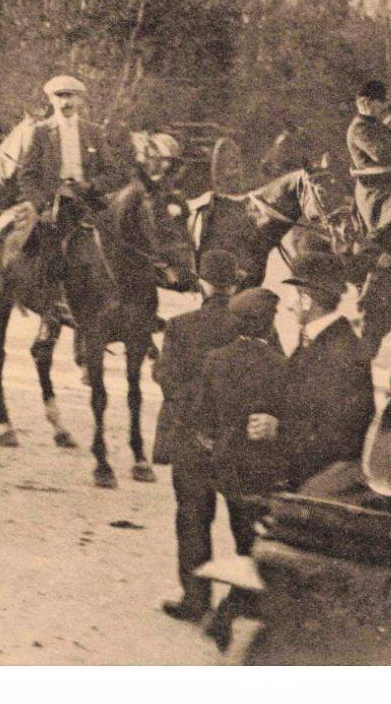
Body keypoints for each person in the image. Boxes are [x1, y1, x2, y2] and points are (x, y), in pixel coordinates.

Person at [191, 287, 286, 647]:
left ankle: (229, 611)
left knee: (242, 535)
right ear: (269, 323)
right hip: (263, 465)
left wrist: (217, 445)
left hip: (227, 466)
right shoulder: (279, 364)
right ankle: (230, 611)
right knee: (253, 543)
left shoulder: (216, 359)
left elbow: (203, 416)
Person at [155, 249, 242, 622]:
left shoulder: (179, 326)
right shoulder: (251, 325)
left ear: (203, 284)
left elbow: (167, 380)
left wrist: (199, 426)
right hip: (237, 441)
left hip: (191, 438)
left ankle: (195, 599)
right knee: (243, 521)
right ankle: (244, 599)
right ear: (235, 284)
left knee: (192, 519)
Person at [0, 74, 117, 323]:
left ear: (79, 100)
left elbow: (112, 172)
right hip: (54, 204)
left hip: (88, 201)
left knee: (121, 239)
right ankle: (53, 305)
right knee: (48, 246)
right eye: (60, 96)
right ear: (51, 100)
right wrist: (41, 204)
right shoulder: (41, 133)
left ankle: (124, 304)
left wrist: (90, 185)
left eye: (70, 96)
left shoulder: (93, 132)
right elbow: (27, 174)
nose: (65, 102)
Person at [279, 253, 375, 489]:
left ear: (307, 300)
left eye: (292, 294)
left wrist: (278, 430)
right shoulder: (322, 339)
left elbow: (338, 435)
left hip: (321, 479)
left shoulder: (339, 352)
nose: (287, 304)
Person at [346, 79, 391, 239]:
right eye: (381, 102)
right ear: (365, 103)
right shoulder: (359, 128)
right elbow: (383, 154)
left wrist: (388, 120)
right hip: (377, 189)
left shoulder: (377, 124)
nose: (384, 107)